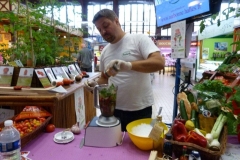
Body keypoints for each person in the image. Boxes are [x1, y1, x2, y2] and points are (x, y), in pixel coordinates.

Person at [85, 9, 165, 131]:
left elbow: (159, 62)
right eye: (99, 29)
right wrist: (95, 86)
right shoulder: (105, 51)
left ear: (116, 21)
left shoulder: (138, 39)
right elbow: (104, 78)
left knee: (138, 147)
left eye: (105, 26)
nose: (103, 31)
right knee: (116, 146)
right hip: (113, 110)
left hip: (140, 109)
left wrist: (128, 65)